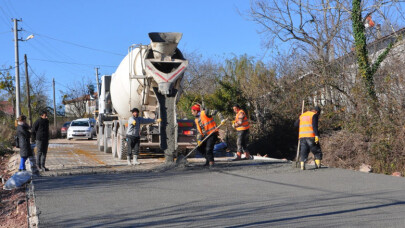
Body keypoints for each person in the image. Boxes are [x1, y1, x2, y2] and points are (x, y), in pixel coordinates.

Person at [295, 106, 323, 170]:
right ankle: (318, 164)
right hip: (311, 136)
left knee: (304, 150)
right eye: (318, 113)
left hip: (302, 137)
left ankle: (302, 165)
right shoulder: (314, 115)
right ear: (316, 111)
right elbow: (314, 126)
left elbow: (296, 124)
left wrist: (300, 118)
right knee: (316, 150)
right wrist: (316, 135)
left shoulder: (302, 115)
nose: (318, 115)